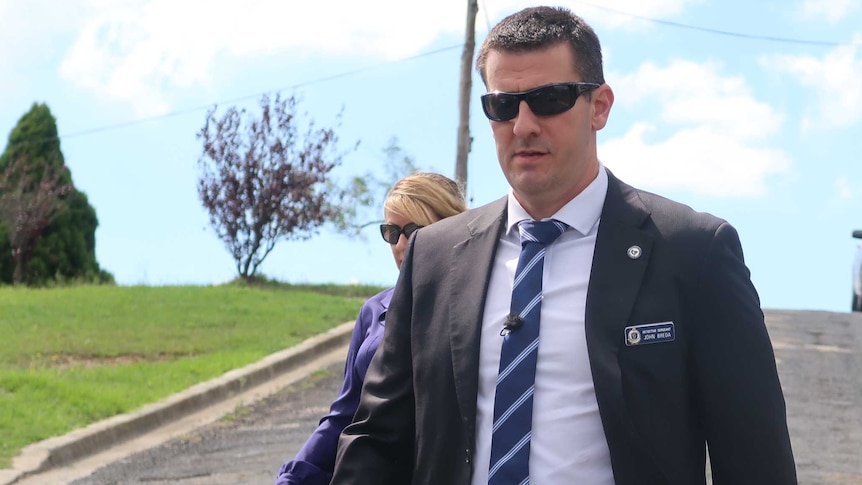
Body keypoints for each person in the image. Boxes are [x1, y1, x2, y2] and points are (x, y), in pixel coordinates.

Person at [331, 6, 797, 485]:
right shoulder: (433, 256)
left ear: (599, 106)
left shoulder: (693, 252)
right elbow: (377, 440)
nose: (524, 125)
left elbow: (755, 458)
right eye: (504, 105)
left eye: (550, 99)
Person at [272, 172, 467, 485]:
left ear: (450, 227)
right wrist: (294, 477)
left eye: (415, 230)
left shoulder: (476, 302)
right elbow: (345, 414)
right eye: (392, 232)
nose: (402, 245)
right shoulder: (373, 311)